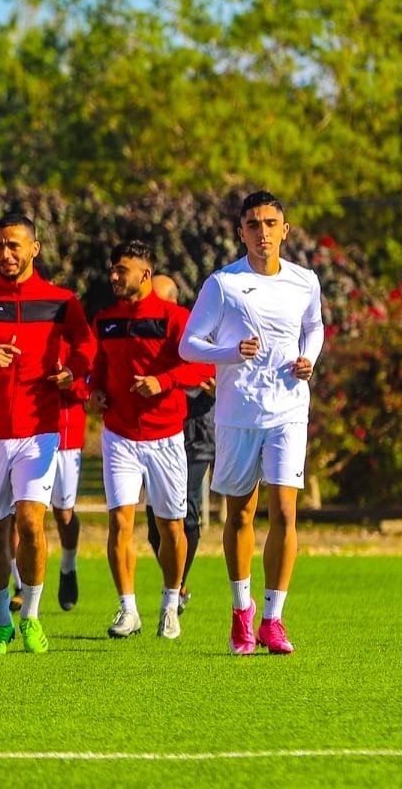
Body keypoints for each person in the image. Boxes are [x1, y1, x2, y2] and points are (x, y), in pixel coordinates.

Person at [180, 191, 324, 656]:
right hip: (238, 413)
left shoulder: (305, 281)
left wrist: (310, 359)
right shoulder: (222, 284)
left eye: (270, 223)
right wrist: (229, 352)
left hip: (288, 410)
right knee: (240, 512)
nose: (262, 233)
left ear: (285, 230)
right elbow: (188, 345)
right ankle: (241, 613)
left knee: (284, 511)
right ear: (240, 232)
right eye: (252, 224)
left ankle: (273, 619)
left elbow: (315, 327)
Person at [0, 213, 96, 656]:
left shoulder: (60, 301)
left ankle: (33, 618)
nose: (6, 254)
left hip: (38, 431)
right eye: (0, 245)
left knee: (30, 520)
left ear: (35, 249)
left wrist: (72, 371)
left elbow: (85, 344)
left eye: (15, 245)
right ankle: (1, 621)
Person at [87, 241, 212, 639]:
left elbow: (204, 365)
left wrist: (164, 380)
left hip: (166, 437)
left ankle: (171, 603)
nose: (114, 277)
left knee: (171, 526)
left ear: (144, 274)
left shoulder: (175, 318)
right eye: (112, 269)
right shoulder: (105, 320)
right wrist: (95, 392)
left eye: (122, 270)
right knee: (120, 522)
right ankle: (128, 610)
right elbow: (97, 368)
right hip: (119, 437)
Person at [144, 273, 214, 613]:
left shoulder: (195, 332)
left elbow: (212, 371)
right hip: (154, 432)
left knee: (185, 511)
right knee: (154, 525)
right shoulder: (141, 334)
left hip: (194, 434)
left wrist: (213, 385)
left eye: (159, 298)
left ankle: (179, 587)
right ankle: (172, 582)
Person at [50, 386, 88, 610]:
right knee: (19, 512)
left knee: (63, 513)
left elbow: (91, 385)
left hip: (65, 436)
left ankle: (68, 566)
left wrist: (72, 382)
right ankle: (17, 585)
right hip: (24, 435)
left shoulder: (79, 349)